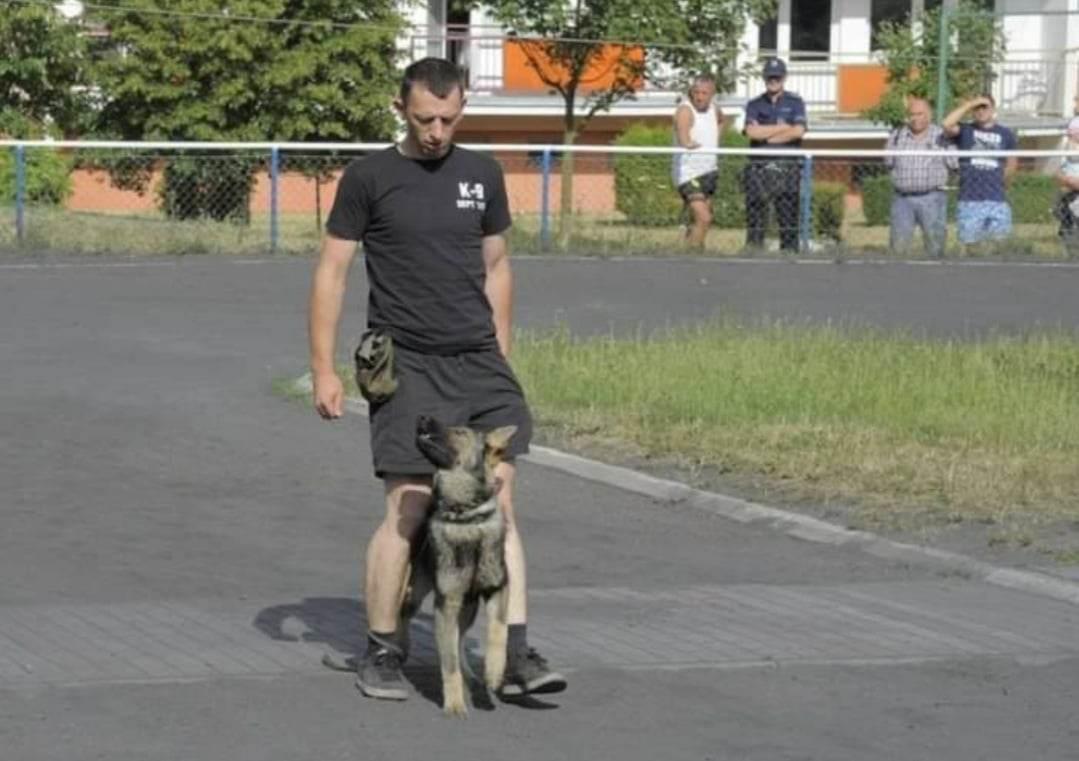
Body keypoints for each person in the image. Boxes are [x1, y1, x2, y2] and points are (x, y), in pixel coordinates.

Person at [308, 57, 566, 702]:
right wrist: (323, 369)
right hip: (407, 362)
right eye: (425, 118)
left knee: (499, 502)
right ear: (402, 108)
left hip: (478, 362)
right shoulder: (369, 178)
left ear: (462, 109)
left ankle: (513, 653)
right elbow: (332, 273)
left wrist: (500, 352)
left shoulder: (482, 174)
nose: (437, 131)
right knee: (411, 504)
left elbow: (498, 266)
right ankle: (383, 648)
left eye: (449, 119)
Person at [742, 57, 807, 253]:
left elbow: (798, 132)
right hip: (759, 167)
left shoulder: (795, 102)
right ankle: (753, 251)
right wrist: (782, 128)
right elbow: (751, 132)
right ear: (764, 78)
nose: (773, 80)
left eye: (777, 77)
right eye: (770, 77)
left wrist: (767, 136)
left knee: (788, 214)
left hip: (787, 167)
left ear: (784, 77)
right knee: (755, 214)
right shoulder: (754, 104)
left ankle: (789, 253)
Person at [942, 94, 1018, 252]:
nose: (981, 111)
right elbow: (947, 124)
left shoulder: (1006, 134)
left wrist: (1003, 185)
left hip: (997, 199)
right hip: (970, 199)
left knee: (1001, 245)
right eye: (978, 108)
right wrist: (970, 103)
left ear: (993, 109)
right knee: (971, 246)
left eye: (985, 107)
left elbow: (1012, 164)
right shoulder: (966, 130)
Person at [883, 96, 956, 258]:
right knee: (898, 248)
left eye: (920, 114)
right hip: (902, 200)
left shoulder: (941, 136)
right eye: (912, 114)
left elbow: (954, 164)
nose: (915, 118)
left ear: (929, 115)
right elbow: (888, 162)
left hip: (932, 198)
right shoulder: (897, 135)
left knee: (935, 248)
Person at [672, 75, 724, 249]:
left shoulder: (715, 109)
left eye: (704, 93)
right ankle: (691, 254)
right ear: (691, 93)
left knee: (701, 220)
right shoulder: (685, 111)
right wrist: (688, 143)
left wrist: (716, 142)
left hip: (709, 170)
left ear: (712, 94)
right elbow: (683, 136)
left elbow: (721, 121)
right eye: (696, 92)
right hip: (688, 174)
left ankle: (696, 249)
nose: (700, 97)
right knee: (704, 217)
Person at [1054, 114, 1079, 257]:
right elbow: (1058, 174)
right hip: (1069, 193)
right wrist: (1066, 180)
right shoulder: (1067, 153)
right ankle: (1068, 248)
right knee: (1066, 215)